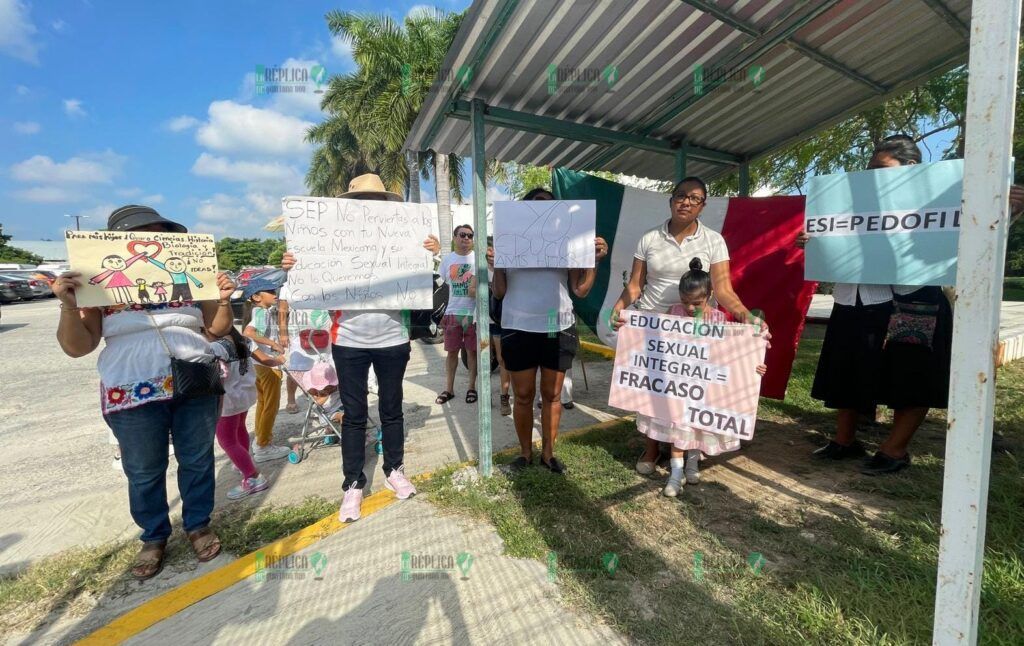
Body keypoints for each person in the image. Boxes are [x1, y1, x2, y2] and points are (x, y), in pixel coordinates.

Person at [53, 204, 234, 580]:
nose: (150, 242)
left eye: (157, 233)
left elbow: (216, 329)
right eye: (140, 235)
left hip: (195, 382)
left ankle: (198, 524)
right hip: (130, 393)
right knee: (144, 470)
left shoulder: (189, 276)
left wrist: (224, 299)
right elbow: (78, 347)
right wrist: (69, 306)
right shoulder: (99, 285)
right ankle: (153, 537)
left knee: (198, 459)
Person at [281, 173, 441, 522]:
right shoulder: (330, 240)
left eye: (375, 200)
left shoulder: (405, 236)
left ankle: (394, 469)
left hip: (393, 339)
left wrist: (431, 253)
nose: (368, 206)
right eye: (360, 201)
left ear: (386, 205)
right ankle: (353, 484)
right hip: (348, 341)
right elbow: (306, 285)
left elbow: (427, 279)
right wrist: (295, 267)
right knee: (353, 415)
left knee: (392, 408)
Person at [612, 177, 768, 475]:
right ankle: (651, 449)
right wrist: (618, 308)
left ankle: (687, 449)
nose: (686, 202)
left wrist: (747, 316)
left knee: (691, 389)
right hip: (656, 325)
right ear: (670, 200)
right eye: (681, 196)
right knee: (653, 390)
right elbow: (635, 286)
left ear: (703, 206)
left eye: (694, 198)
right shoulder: (649, 238)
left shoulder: (713, 241)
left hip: (698, 330)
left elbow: (723, 290)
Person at [487, 187, 609, 474]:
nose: (543, 211)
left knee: (552, 394)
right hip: (518, 325)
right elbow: (500, 292)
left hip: (557, 323)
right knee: (524, 394)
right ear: (524, 211)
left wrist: (594, 261)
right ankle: (526, 453)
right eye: (536, 205)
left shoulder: (568, 242)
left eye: (549, 206)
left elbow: (580, 289)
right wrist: (496, 266)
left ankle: (549, 454)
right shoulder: (511, 241)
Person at [647, 258, 767, 496]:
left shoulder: (719, 320)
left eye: (696, 303)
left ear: (710, 295)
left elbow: (732, 356)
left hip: (705, 386)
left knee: (697, 426)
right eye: (685, 302)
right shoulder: (673, 313)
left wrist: (754, 365)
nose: (690, 308)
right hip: (678, 385)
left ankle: (692, 463)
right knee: (677, 427)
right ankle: (676, 473)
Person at [210, 328, 283, 500]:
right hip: (244, 395)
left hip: (227, 399)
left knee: (226, 440)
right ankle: (245, 461)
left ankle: (253, 477)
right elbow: (265, 360)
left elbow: (215, 377)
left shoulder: (215, 347)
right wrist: (278, 360)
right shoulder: (242, 340)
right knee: (239, 428)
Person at [242, 278, 291, 462]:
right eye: (269, 291)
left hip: (257, 365)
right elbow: (249, 333)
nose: (274, 294)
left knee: (263, 405)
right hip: (267, 366)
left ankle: (260, 442)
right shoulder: (261, 313)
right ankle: (263, 446)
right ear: (256, 296)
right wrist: (274, 344)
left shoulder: (258, 311)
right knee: (271, 406)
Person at [436, 224, 479, 405]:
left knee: (472, 352)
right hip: (452, 313)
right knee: (451, 352)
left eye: (470, 236)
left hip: (473, 314)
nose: (466, 239)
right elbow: (440, 286)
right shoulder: (448, 260)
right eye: (462, 235)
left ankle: (471, 387)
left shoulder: (478, 259)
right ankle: (449, 389)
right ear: (455, 237)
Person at [277, 281, 331, 414]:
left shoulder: (327, 280)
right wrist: (283, 333)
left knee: (325, 366)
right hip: (298, 332)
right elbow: (283, 310)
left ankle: (321, 396)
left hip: (323, 329)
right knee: (297, 367)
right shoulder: (287, 285)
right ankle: (291, 398)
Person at [488, 286, 513, 416]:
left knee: (502, 359)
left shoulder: (506, 267)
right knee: (485, 358)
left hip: (504, 321)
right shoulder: (479, 270)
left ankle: (504, 397)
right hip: (485, 323)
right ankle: (487, 394)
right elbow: (470, 290)